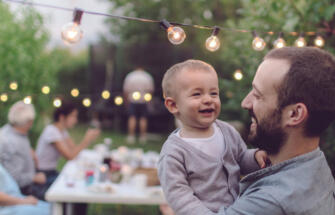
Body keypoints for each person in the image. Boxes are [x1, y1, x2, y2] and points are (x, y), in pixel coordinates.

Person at [213, 47, 335, 214]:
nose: (245, 103)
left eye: (257, 95)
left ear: (294, 114)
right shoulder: (316, 163)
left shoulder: (270, 202)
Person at [158, 59, 267, 215]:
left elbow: (241, 158)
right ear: (173, 105)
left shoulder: (226, 131)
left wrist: (255, 157)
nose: (208, 99)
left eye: (213, 93)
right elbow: (179, 196)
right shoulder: (173, 152)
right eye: (197, 94)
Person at [36, 101, 100, 184]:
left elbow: (74, 150)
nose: (76, 120)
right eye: (73, 116)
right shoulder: (51, 131)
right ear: (62, 117)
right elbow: (70, 156)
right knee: (75, 182)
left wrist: (89, 140)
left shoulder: (62, 131)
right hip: (44, 174)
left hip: (51, 172)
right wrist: (86, 140)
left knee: (78, 179)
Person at [0, 101, 48, 200]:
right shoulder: (11, 142)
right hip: (21, 192)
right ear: (29, 122)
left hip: (27, 183)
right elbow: (13, 179)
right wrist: (34, 177)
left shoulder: (9, 130)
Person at [123, 68, 154, 144]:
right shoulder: (147, 76)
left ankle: (131, 136)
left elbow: (126, 90)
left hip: (132, 100)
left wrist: (126, 102)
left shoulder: (130, 76)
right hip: (143, 100)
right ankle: (142, 137)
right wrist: (149, 101)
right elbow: (151, 90)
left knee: (132, 117)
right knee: (143, 118)